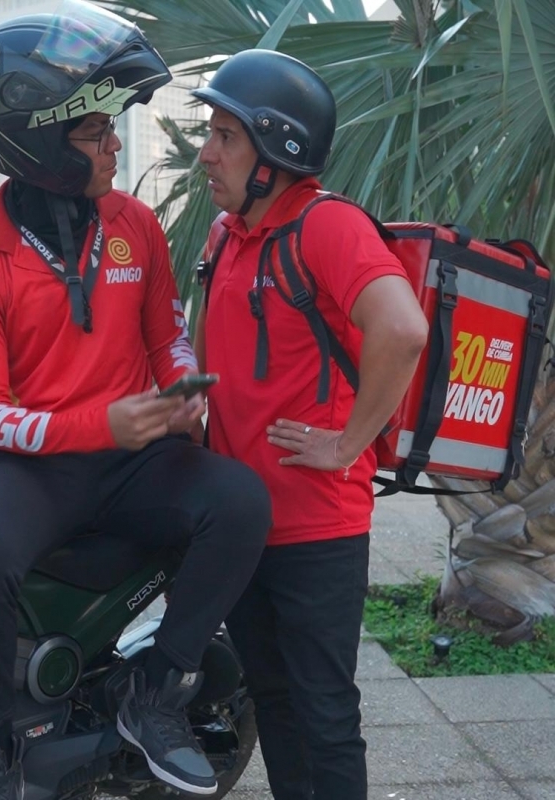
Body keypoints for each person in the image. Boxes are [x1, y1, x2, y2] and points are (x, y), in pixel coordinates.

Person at [0, 5, 272, 799]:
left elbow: (168, 337)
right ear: (40, 145)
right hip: (33, 469)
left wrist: (182, 389)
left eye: (110, 129)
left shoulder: (134, 227)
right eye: (94, 133)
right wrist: (102, 422)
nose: (114, 144)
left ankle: (155, 695)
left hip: (136, 460)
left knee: (242, 501)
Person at [192, 50, 429, 800]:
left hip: (315, 526)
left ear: (276, 150)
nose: (207, 153)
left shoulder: (327, 227)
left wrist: (348, 442)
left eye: (225, 135)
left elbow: (404, 329)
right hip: (242, 521)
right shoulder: (227, 236)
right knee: (276, 704)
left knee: (324, 712)